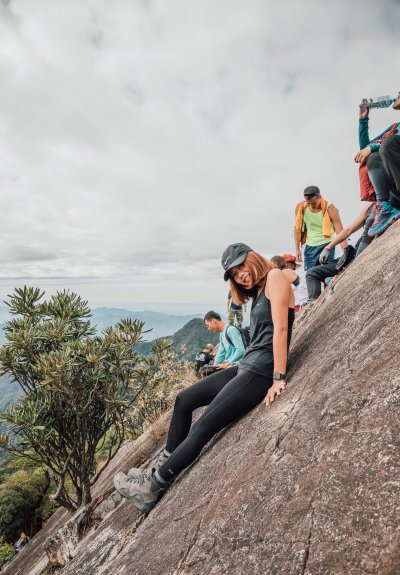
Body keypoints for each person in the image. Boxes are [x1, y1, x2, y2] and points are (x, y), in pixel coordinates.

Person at [114, 243, 295, 513]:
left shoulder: (274, 277)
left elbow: (281, 329)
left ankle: (153, 486)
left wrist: (278, 377)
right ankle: (161, 464)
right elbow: (290, 280)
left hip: (260, 371)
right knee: (184, 399)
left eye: (241, 266)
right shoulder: (260, 288)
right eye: (234, 274)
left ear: (252, 258)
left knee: (204, 424)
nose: (240, 275)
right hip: (246, 365)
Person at [306, 202, 374, 300]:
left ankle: (338, 278)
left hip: (362, 254)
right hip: (354, 253)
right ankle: (313, 303)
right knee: (312, 272)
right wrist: (327, 248)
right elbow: (348, 230)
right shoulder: (370, 206)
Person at [355, 93, 400, 236]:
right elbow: (365, 149)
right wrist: (363, 121)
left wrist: (374, 148)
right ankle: (385, 208)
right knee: (373, 158)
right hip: (396, 188)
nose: (397, 94)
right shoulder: (395, 127)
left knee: (388, 143)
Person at [294, 186, 347, 270]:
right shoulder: (300, 207)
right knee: (310, 275)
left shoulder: (330, 208)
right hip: (310, 246)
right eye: (309, 203)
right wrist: (297, 249)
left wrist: (345, 251)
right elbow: (297, 229)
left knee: (327, 274)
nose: (311, 206)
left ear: (319, 197)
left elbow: (340, 231)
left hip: (328, 243)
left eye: (314, 203)